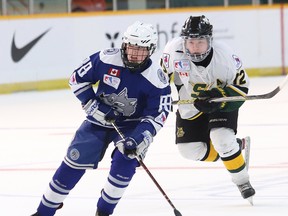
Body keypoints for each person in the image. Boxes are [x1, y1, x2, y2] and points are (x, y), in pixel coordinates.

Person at [32, 21, 172, 216]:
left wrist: (138, 138)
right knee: (74, 160)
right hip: (98, 120)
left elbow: (157, 115)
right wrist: (93, 105)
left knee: (125, 162)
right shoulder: (105, 59)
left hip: (132, 127)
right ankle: (43, 212)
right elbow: (77, 79)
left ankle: (104, 211)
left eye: (140, 50)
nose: (134, 54)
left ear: (151, 50)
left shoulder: (157, 79)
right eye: (131, 47)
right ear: (123, 44)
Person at [160, 15, 255, 204]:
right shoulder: (173, 51)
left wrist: (218, 98)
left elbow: (242, 89)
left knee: (222, 138)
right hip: (189, 105)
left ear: (209, 41)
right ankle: (236, 148)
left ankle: (242, 181)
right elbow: (160, 79)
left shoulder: (225, 57)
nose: (194, 47)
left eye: (200, 42)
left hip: (219, 101)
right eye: (191, 42)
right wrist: (158, 99)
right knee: (188, 150)